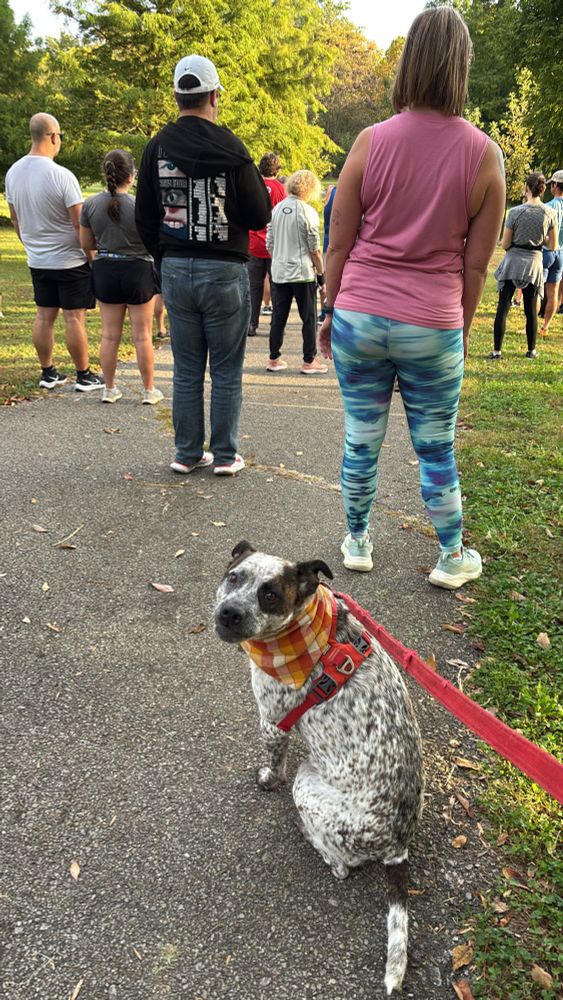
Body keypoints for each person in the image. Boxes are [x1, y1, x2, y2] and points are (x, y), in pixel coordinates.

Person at [318, 6, 505, 588]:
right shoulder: (485, 155)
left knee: (361, 436)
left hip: (360, 314)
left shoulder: (370, 141)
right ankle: (451, 556)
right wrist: (459, 330)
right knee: (435, 446)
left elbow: (339, 242)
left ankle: (357, 542)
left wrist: (330, 309)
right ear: (462, 66)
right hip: (432, 320)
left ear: (408, 63)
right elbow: (477, 266)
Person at [135, 54, 271, 476]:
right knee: (226, 369)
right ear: (214, 96)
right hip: (225, 268)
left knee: (187, 368)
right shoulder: (232, 148)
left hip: (177, 266)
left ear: (177, 97)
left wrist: (165, 256)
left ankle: (187, 452)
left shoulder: (157, 147)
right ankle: (225, 455)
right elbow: (259, 213)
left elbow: (144, 215)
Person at [4, 113, 103, 391]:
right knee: (74, 318)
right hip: (70, 260)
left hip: (38, 259)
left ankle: (48, 372)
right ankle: (83, 375)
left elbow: (15, 219)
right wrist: (92, 257)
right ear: (53, 137)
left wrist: (31, 245)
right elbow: (79, 223)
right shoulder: (62, 175)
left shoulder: (13, 173)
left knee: (43, 316)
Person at [79, 149, 163, 404]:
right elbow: (154, 242)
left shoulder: (90, 204)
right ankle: (148, 390)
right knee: (142, 335)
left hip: (105, 268)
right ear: (131, 176)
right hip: (138, 270)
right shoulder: (140, 206)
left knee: (109, 334)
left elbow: (86, 243)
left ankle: (109, 388)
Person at [266, 170, 328, 374]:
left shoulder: (277, 209)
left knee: (278, 317)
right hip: (302, 272)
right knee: (308, 318)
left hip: (279, 270)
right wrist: (321, 274)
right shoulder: (307, 211)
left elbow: (270, 242)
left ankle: (274, 358)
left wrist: (279, 257)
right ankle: (309, 360)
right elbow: (314, 248)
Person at [490, 173, 555, 360]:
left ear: (527, 187)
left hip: (513, 262)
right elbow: (552, 245)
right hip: (534, 263)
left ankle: (497, 351)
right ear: (542, 189)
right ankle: (531, 350)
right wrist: (540, 238)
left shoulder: (515, 212)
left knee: (503, 307)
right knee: (530, 310)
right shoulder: (549, 213)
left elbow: (505, 244)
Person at [247, 152, 286, 337]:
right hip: (275, 245)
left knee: (253, 288)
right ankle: (276, 326)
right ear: (277, 169)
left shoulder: (253, 186)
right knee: (277, 287)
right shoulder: (281, 189)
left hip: (254, 243)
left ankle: (251, 324)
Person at [538, 170, 563, 336]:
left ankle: (531, 325)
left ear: (555, 185)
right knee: (554, 291)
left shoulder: (548, 207)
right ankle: (545, 327)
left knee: (537, 290)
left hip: (546, 252)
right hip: (561, 254)